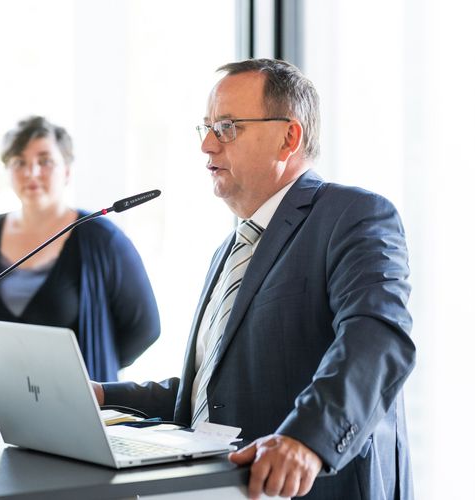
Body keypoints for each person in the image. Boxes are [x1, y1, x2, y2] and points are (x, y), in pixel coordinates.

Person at [93, 59, 415, 499]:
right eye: (205, 127)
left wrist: (307, 439)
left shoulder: (352, 216)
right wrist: (100, 397)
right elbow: (212, 392)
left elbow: (376, 339)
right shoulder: (229, 250)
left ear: (289, 137)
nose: (207, 145)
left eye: (226, 126)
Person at [0, 116, 160, 408]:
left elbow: (145, 328)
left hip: (74, 405)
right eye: (19, 162)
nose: (32, 172)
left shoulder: (100, 237)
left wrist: (97, 356)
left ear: (66, 170)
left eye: (45, 160)